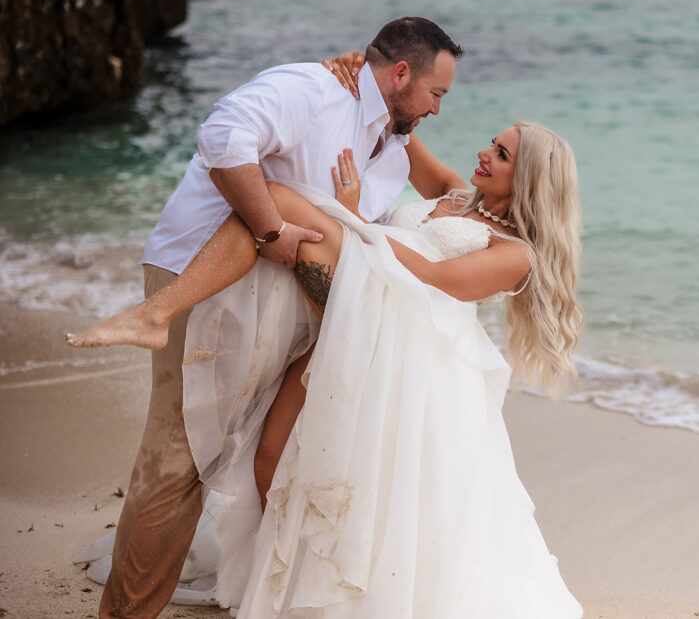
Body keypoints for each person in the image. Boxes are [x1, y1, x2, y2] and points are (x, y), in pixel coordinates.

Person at [70, 120, 585, 616]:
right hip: (355, 320)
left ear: (530, 179)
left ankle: (158, 313)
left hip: (404, 346)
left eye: (501, 153)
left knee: (282, 200)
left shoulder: (515, 254)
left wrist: (353, 218)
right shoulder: (453, 193)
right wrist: (361, 76)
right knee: (271, 458)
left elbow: (433, 278)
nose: (484, 153)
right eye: (491, 143)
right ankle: (288, 578)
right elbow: (401, 130)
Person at [71, 16, 463, 618]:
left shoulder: (391, 137)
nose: (439, 108)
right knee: (179, 457)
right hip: (201, 283)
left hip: (268, 305)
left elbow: (447, 200)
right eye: (437, 93)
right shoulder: (311, 90)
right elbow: (224, 136)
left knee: (211, 458)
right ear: (403, 73)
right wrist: (270, 227)